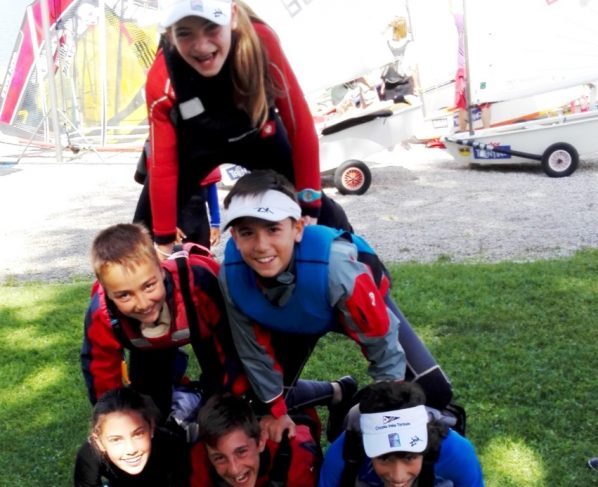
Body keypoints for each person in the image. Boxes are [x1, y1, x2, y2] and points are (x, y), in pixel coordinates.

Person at [137, 0, 351, 260]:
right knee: (143, 232)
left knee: (323, 214)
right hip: (194, 147)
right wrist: (163, 239)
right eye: (184, 33)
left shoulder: (261, 42)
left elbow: (300, 126)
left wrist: (310, 207)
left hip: (258, 136)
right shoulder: (161, 78)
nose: (202, 46)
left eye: (212, 27)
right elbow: (163, 165)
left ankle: (363, 267)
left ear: (233, 17)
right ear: (169, 35)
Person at [218, 169, 413, 442]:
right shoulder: (230, 276)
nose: (261, 245)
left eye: (273, 229)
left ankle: (354, 415)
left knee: (426, 391)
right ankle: (337, 392)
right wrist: (276, 410)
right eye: (247, 232)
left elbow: (380, 337)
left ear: (298, 229)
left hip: (355, 301)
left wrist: (388, 398)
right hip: (296, 312)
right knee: (260, 403)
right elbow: (252, 351)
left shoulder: (337, 267)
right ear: (234, 237)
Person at [80, 223, 243, 418]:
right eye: (124, 295)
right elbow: (101, 374)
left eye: (148, 286)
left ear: (161, 270)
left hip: (206, 331)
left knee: (224, 404)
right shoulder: (102, 312)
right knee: (150, 410)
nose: (143, 304)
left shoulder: (200, 284)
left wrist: (233, 397)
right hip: (145, 344)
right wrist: (114, 418)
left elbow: (231, 347)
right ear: (107, 293)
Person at [318, 382, 484, 487]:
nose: (398, 477)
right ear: (364, 442)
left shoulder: (455, 451)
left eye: (410, 458)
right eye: (384, 458)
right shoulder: (346, 450)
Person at [190, 393, 319, 486]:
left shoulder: (297, 457)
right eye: (219, 458)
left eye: (241, 451)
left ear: (261, 441)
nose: (234, 470)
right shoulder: (201, 458)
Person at [74, 387, 191, 486]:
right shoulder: (89, 454)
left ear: (151, 427)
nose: (131, 450)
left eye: (138, 434)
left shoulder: (172, 445)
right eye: (116, 440)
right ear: (99, 442)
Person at [451, 0, 490, 132]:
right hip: (478, 69)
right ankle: (487, 131)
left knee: (463, 106)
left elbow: (450, 8)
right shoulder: (481, 21)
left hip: (463, 69)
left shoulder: (460, 19)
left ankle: (463, 133)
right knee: (484, 104)